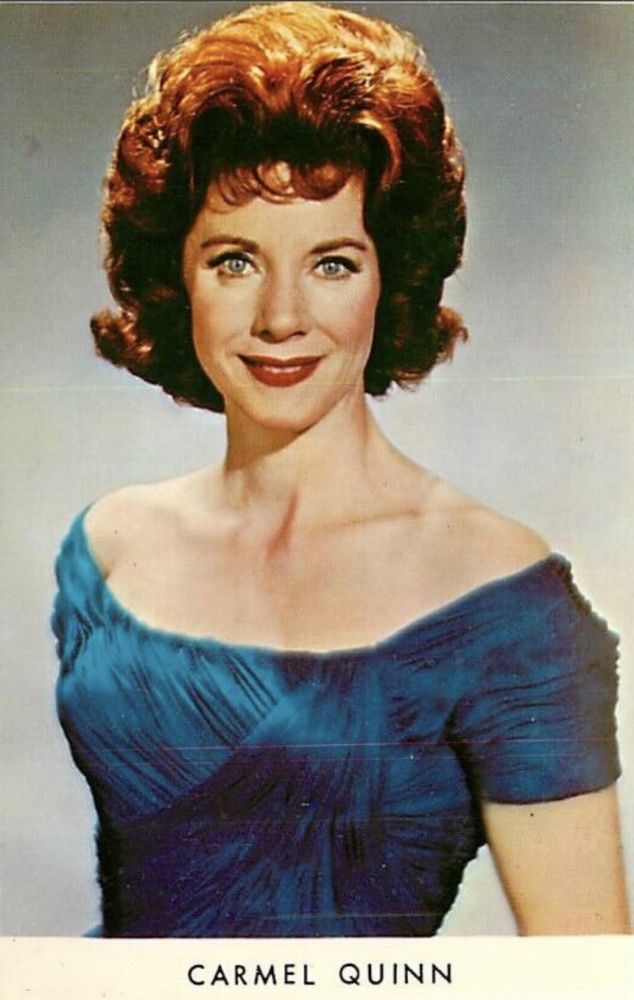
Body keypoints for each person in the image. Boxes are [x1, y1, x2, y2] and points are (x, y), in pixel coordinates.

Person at [51, 1, 629, 937]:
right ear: (176, 275)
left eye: (332, 263)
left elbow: (587, 976)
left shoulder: (507, 602)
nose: (282, 318)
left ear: (391, 275)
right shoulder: (107, 549)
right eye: (235, 261)